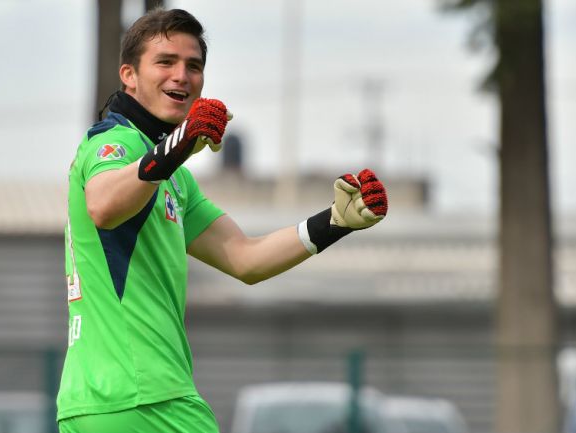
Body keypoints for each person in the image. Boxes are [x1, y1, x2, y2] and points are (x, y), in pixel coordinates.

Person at [56, 8, 388, 433]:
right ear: (129, 75)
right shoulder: (113, 140)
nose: (182, 75)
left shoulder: (174, 178)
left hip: (97, 403)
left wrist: (336, 222)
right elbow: (104, 205)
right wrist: (177, 145)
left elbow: (245, 259)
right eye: (165, 62)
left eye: (193, 66)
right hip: (147, 399)